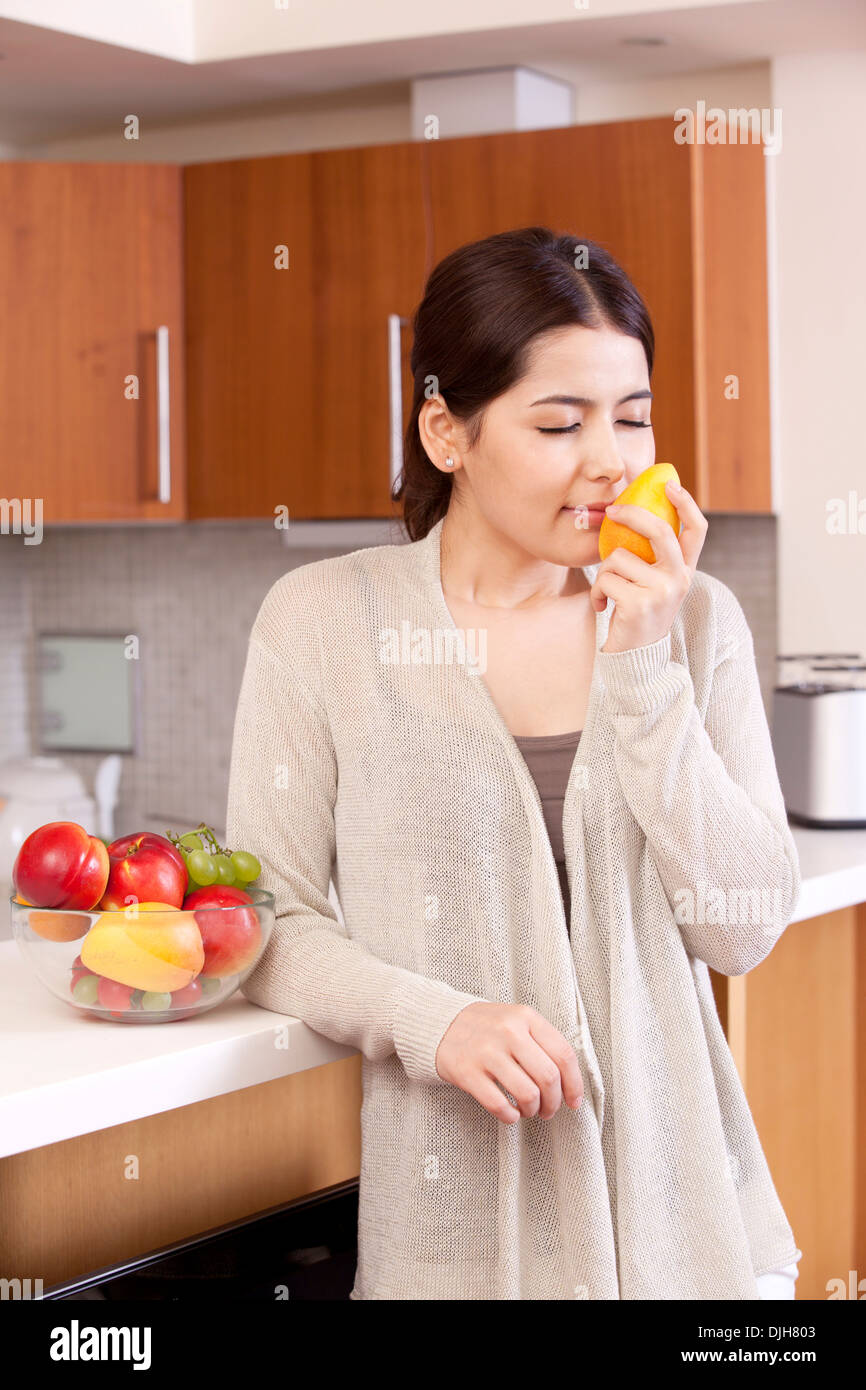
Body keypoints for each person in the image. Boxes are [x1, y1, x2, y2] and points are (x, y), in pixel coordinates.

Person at [226, 226, 803, 1299]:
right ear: (445, 430)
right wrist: (432, 1021)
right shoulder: (323, 619)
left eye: (631, 416)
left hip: (693, 1243)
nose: (611, 461)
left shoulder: (694, 621)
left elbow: (745, 926)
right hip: (459, 1245)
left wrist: (641, 669)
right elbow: (270, 922)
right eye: (558, 422)